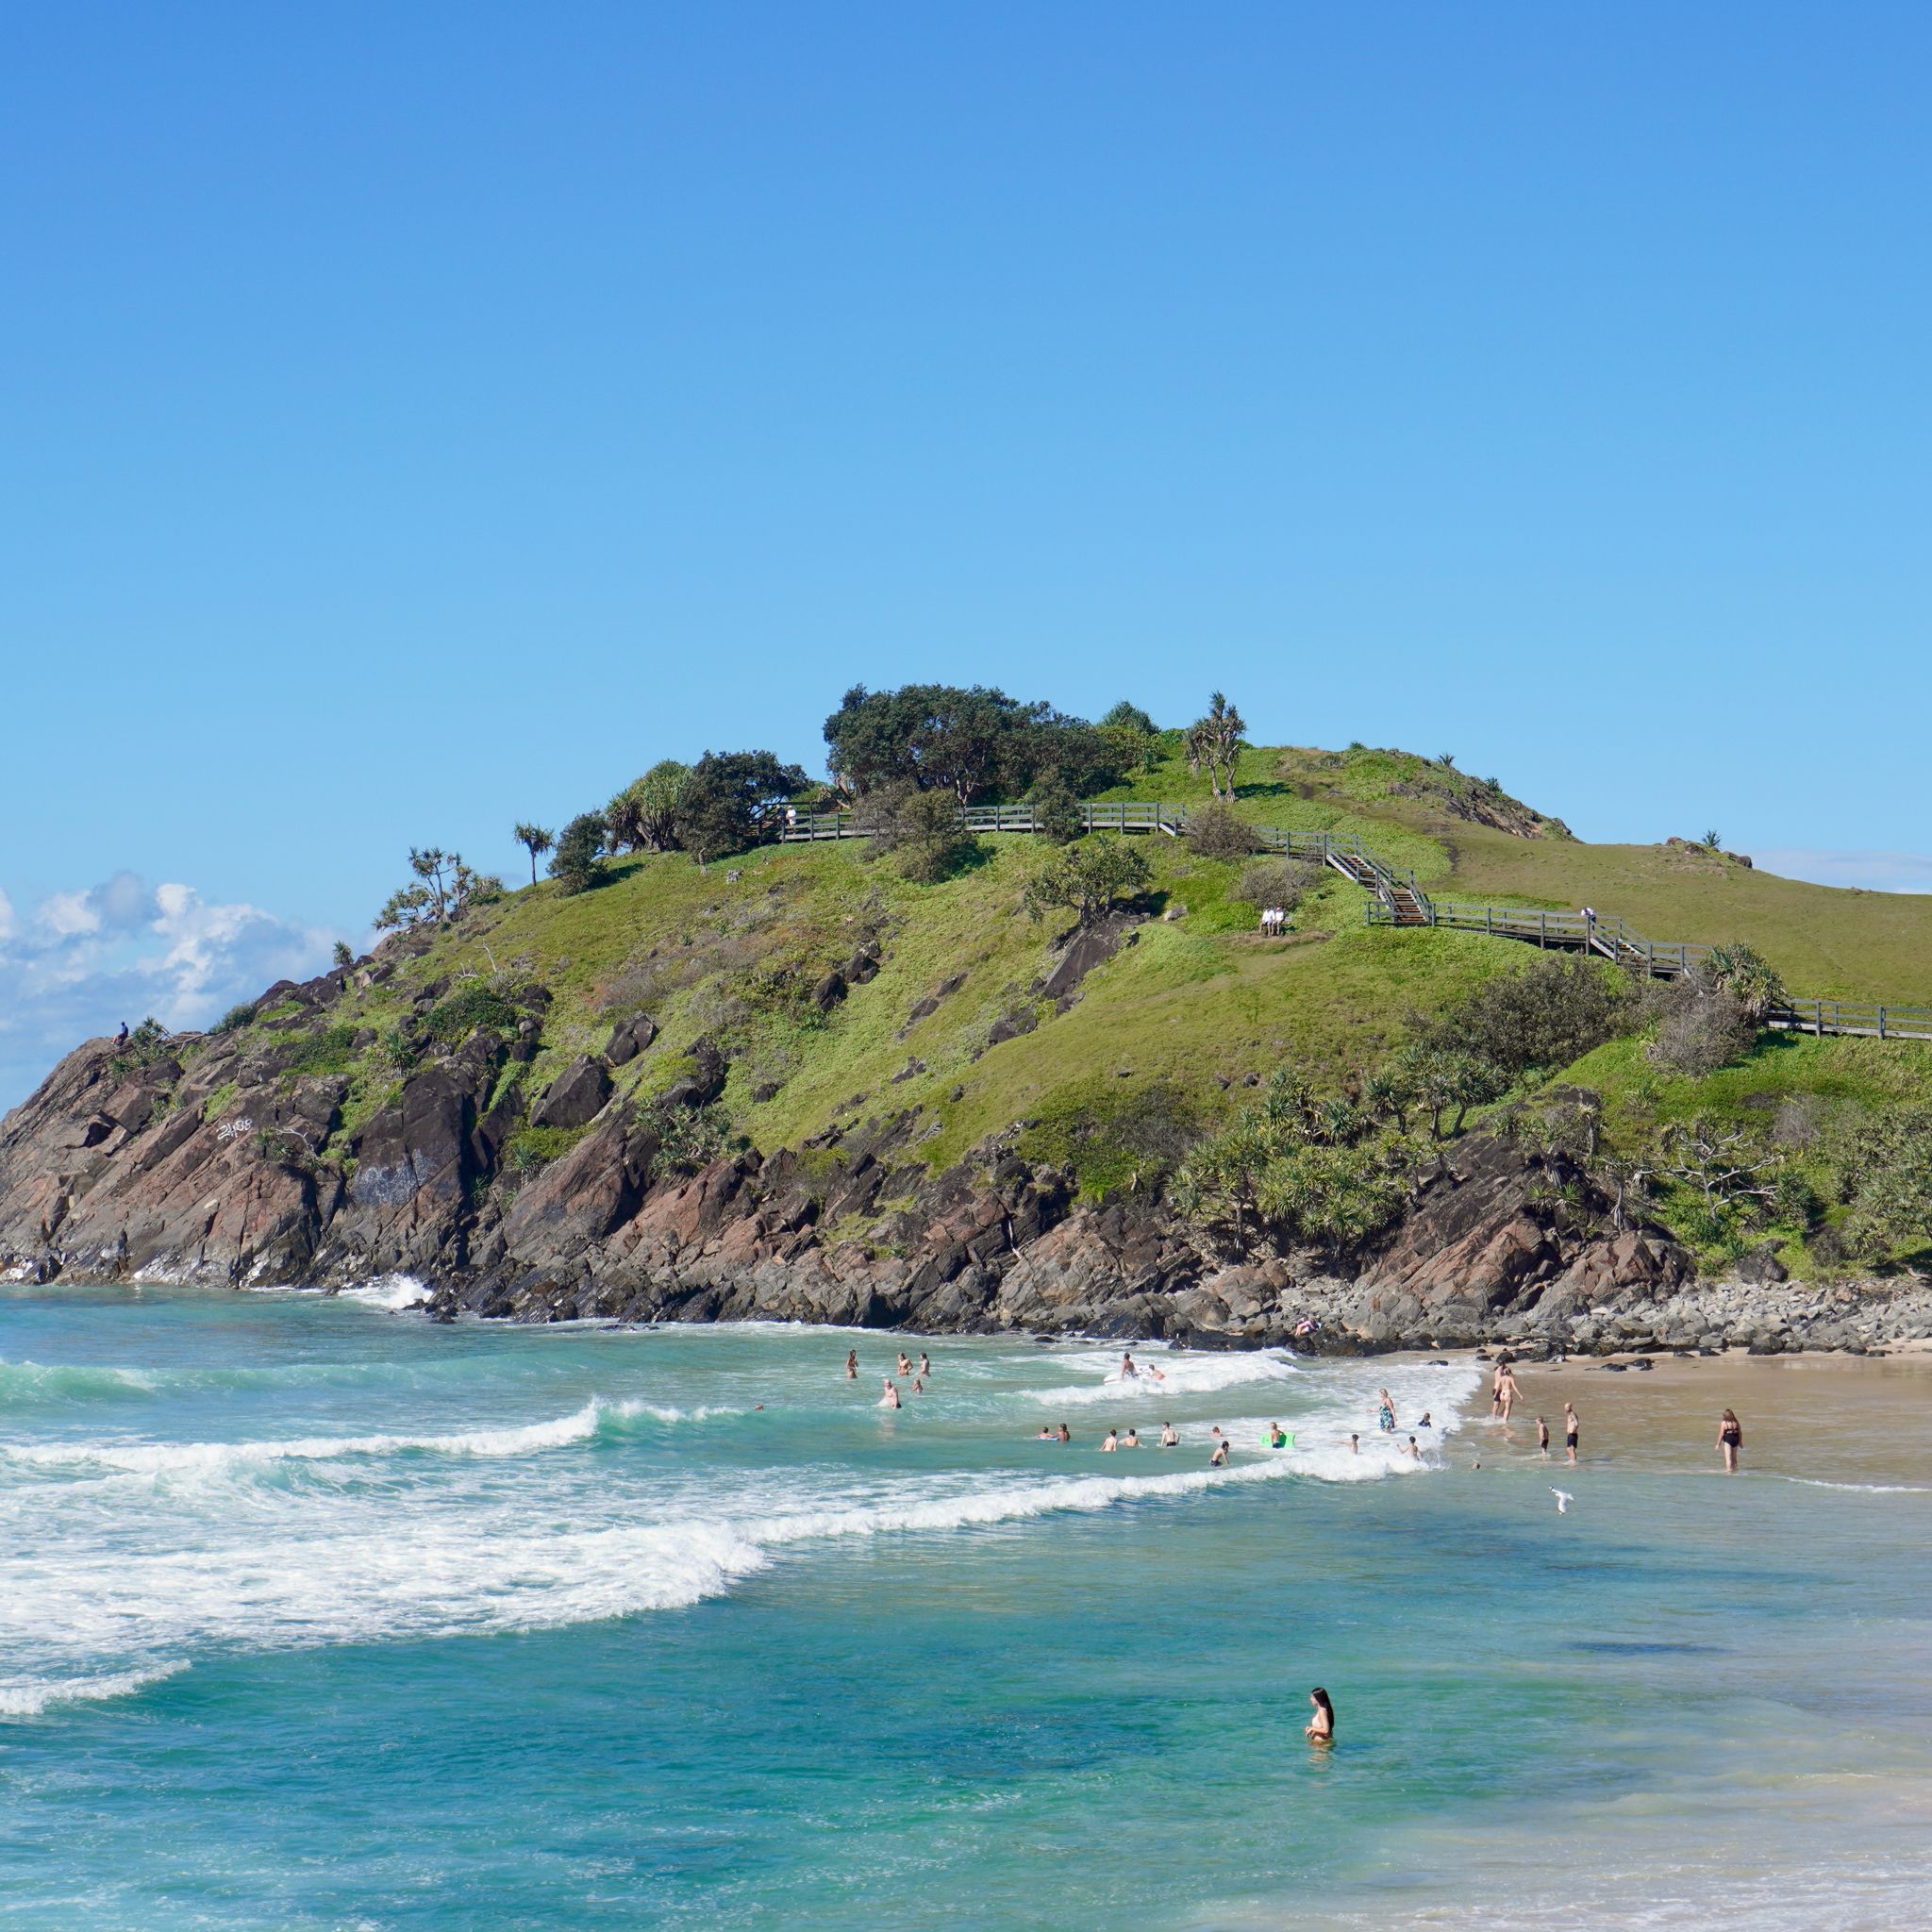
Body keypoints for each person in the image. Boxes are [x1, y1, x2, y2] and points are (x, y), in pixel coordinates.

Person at [1718, 1407, 1743, 1473]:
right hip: (1735, 1439)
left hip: (1728, 1439)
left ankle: (1729, 1471)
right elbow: (1740, 1432)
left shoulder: (1724, 1423)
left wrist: (1718, 1444)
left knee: (1728, 1458)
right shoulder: (1736, 1422)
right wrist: (1740, 1442)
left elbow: (1721, 1434)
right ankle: (1735, 1470)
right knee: (1734, 1457)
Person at [1563, 1400, 1579, 1466]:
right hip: (1570, 1434)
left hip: (1573, 1434)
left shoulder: (1572, 1414)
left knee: (1571, 1449)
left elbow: (1577, 1423)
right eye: (1565, 1407)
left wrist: (1574, 1430)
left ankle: (1573, 1462)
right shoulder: (1570, 1414)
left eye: (1567, 1407)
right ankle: (1572, 1460)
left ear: (1570, 1407)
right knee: (1568, 1449)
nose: (1565, 1409)